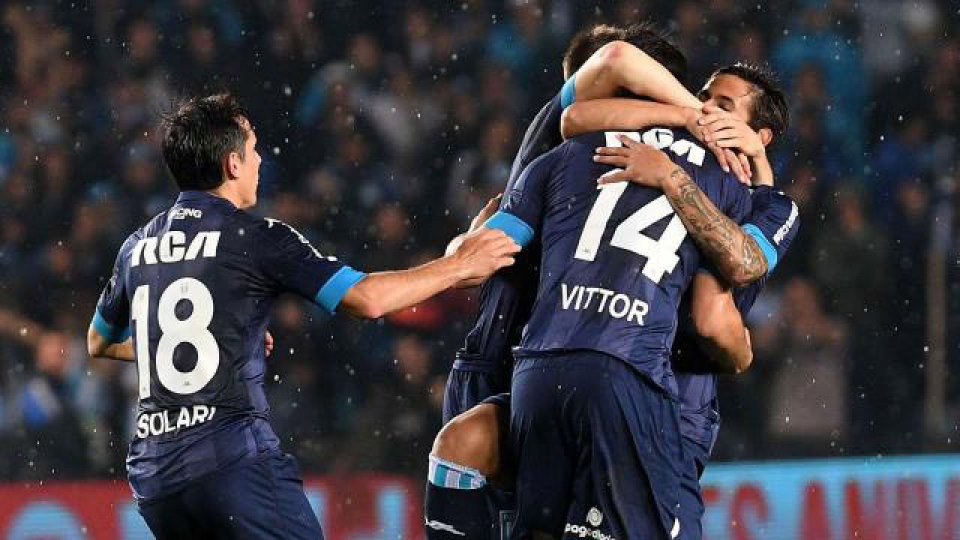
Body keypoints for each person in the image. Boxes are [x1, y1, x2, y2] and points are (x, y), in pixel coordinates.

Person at [85, 93, 520, 540]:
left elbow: (99, 342)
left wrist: (214, 340)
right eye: (253, 149)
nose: (259, 160)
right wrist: (458, 265)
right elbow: (367, 299)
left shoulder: (136, 246)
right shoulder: (257, 238)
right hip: (231, 465)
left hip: (156, 480)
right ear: (232, 164)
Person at [436, 57, 799, 539]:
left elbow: (574, 117)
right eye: (703, 97)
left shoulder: (588, 149)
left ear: (759, 135)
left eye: (723, 105)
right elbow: (719, 310)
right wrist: (740, 353)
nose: (706, 109)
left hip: (542, 366)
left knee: (480, 459)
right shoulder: (738, 194)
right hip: (650, 394)